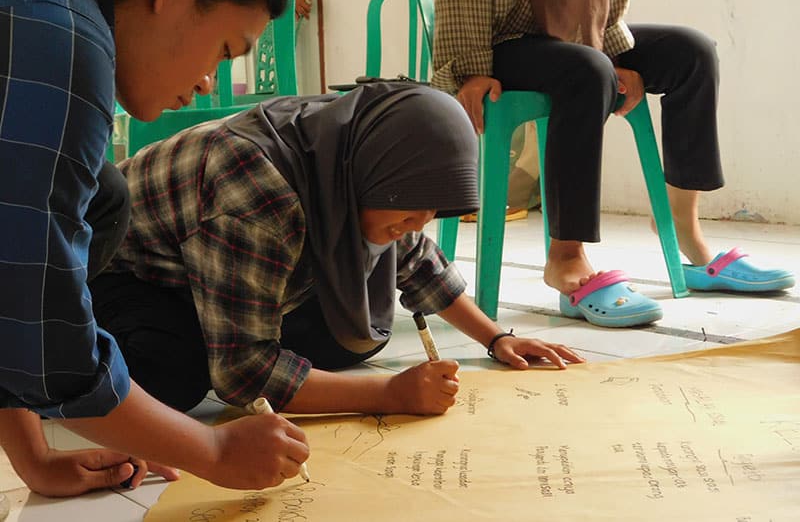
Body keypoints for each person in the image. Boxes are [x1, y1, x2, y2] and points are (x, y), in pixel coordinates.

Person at [89, 83, 584, 417]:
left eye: (432, 211)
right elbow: (241, 375)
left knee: (353, 332)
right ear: (370, 176)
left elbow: (418, 263)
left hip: (226, 266)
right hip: (125, 274)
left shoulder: (357, 156)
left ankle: (223, 330)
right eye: (409, 211)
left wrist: (497, 339)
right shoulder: (257, 190)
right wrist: (388, 393)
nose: (418, 224)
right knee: (178, 373)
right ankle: (89, 348)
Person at [0, 0, 309, 498]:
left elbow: (11, 272)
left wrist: (34, 456)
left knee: (103, 197)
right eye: (224, 50)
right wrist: (212, 450)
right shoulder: (62, 35)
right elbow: (45, 337)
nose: (211, 82)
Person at [431, 0, 795, 328]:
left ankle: (683, 225)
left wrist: (614, 55)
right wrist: (471, 68)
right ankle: (566, 259)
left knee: (692, 53)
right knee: (588, 71)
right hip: (501, 45)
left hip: (578, 41)